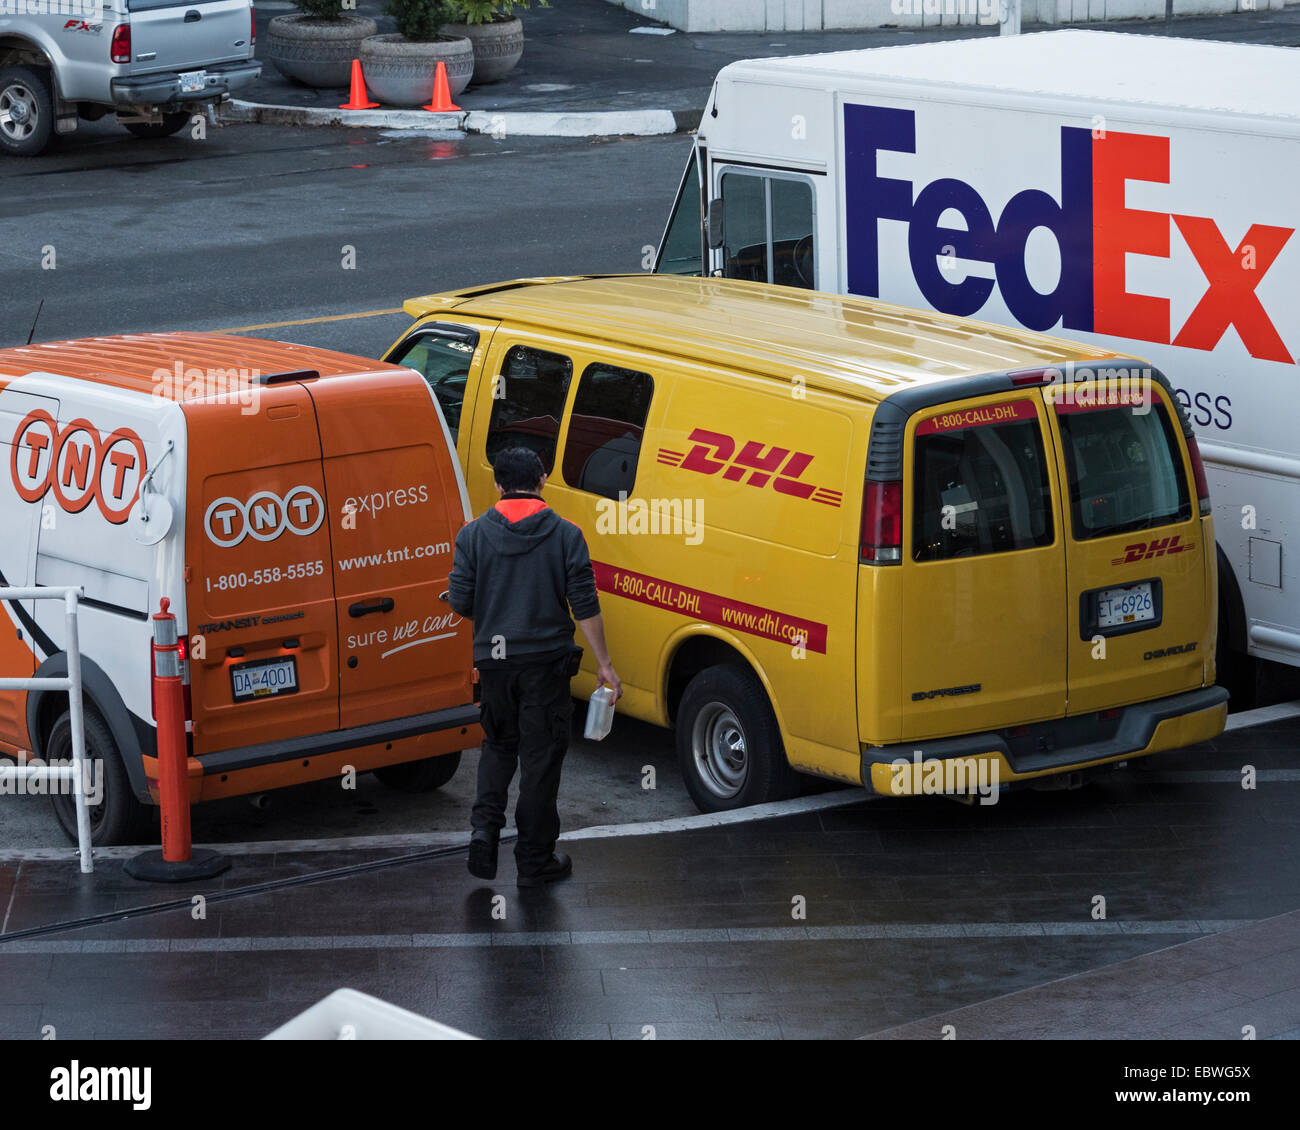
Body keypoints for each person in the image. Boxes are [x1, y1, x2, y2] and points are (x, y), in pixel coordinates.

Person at [448, 446, 622, 887]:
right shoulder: (567, 534)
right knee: (540, 760)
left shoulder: (471, 535)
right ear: (543, 480)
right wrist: (604, 664)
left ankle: (484, 834)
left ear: (498, 485)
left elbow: (461, 602)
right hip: (546, 665)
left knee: (498, 747)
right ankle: (534, 860)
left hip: (495, 665)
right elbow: (585, 604)